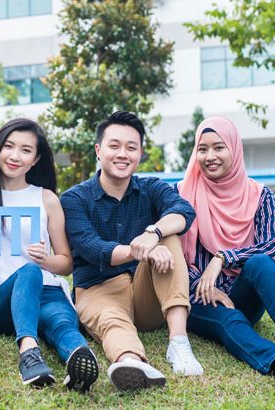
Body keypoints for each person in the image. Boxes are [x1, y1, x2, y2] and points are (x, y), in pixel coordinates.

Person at [178, 117, 275, 384]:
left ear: (234, 149)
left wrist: (223, 257)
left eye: (219, 147)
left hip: (243, 293)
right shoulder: (182, 195)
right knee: (229, 320)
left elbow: (273, 244)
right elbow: (174, 257)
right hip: (198, 299)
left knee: (261, 263)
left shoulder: (258, 195)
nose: (209, 156)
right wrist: (203, 285)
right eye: (202, 149)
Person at [0, 118, 100, 392]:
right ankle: (28, 351)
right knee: (28, 270)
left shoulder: (47, 199)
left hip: (46, 290)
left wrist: (45, 259)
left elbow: (65, 263)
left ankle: (79, 357)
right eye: (9, 146)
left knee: (61, 323)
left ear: (36, 159)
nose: (15, 156)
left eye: (26, 150)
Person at [60, 111, 202, 393]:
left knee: (168, 236)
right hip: (98, 290)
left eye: (131, 147)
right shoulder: (74, 198)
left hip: (145, 293)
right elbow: (92, 248)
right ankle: (131, 361)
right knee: (113, 323)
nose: (122, 154)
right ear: (99, 150)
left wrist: (153, 234)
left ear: (140, 153)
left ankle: (179, 343)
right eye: (114, 146)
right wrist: (141, 251)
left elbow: (184, 212)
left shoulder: (151, 187)